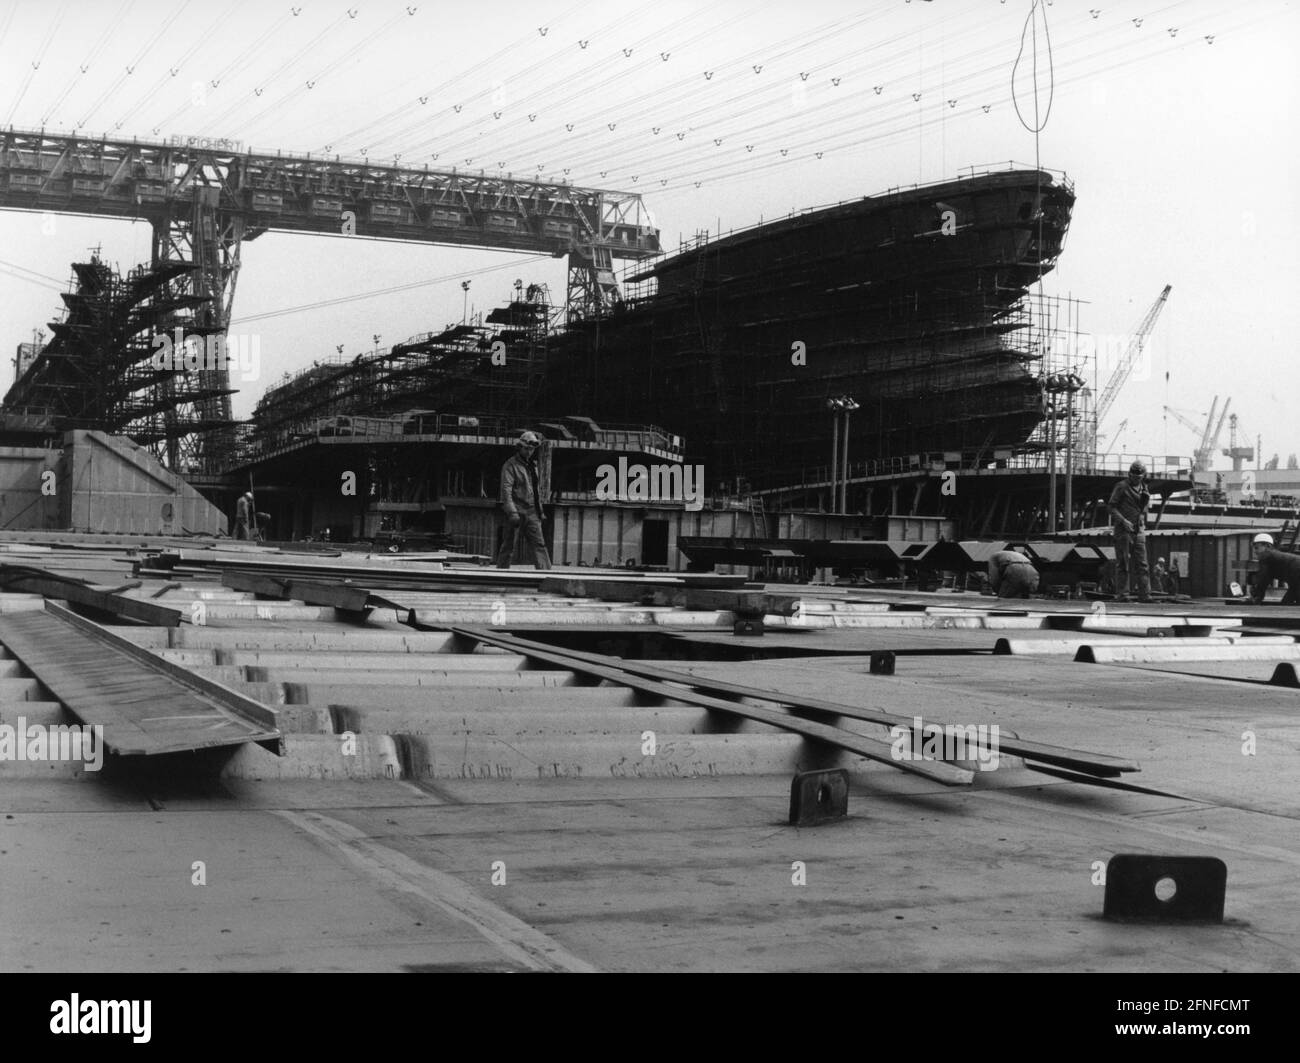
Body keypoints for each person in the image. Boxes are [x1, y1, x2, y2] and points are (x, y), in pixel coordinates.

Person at [495, 430, 552, 569]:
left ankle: (545, 574)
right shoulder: (510, 466)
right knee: (508, 546)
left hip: (532, 512)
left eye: (531, 449)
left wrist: (540, 511)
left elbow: (535, 491)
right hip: (517, 510)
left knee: (539, 544)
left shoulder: (533, 466)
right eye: (526, 449)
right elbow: (506, 491)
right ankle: (501, 574)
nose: (529, 452)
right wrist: (512, 513)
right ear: (519, 447)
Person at [1108, 460, 1152, 602]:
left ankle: (1145, 595)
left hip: (1138, 531)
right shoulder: (1121, 487)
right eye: (1134, 476)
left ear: (1143, 476)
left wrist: (1141, 519)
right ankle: (1123, 594)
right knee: (1123, 563)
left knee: (1143, 564)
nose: (1136, 478)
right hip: (1123, 531)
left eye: (1139, 476)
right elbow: (1111, 507)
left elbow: (1144, 508)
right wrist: (1123, 521)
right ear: (1129, 474)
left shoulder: (1144, 488)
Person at [1250, 533, 1300, 605]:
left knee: (1287, 606)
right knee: (1285, 605)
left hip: (1296, 582)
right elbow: (1266, 578)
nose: (1255, 551)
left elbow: (1263, 578)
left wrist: (1258, 595)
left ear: (1267, 546)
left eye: (1257, 548)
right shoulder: (1273, 557)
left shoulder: (1265, 555)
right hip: (1295, 583)